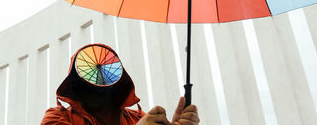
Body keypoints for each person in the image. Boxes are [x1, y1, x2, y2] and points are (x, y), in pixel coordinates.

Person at [41, 44, 199, 125]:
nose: (98, 80)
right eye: (88, 74)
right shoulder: (58, 118)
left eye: (106, 73)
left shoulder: (139, 118)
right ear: (73, 85)